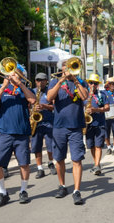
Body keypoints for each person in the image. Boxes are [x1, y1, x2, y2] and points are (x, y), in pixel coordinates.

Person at [0, 66, 36, 207]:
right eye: (11, 73)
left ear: (22, 76)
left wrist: (20, 84)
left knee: (24, 164)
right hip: (4, 132)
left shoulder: (25, 89)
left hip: (22, 133)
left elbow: (32, 100)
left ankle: (23, 191)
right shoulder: (1, 89)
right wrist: (3, 87)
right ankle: (2, 192)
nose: (12, 75)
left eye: (16, 73)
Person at [47, 58, 89, 205]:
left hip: (76, 126)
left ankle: (77, 191)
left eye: (72, 67)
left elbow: (85, 97)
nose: (70, 70)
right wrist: (61, 81)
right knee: (59, 158)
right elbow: (49, 98)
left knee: (77, 159)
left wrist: (76, 81)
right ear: (62, 69)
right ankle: (62, 185)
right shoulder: (55, 82)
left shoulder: (81, 82)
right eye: (67, 67)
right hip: (59, 126)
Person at [31, 72, 57, 179]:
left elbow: (55, 107)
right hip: (37, 123)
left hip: (49, 121)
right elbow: (27, 106)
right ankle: (40, 168)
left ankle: (51, 162)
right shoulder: (32, 91)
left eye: (42, 80)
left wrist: (44, 106)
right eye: (37, 80)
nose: (39, 82)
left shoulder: (50, 91)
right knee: (37, 146)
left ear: (46, 81)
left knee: (50, 145)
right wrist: (33, 109)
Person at [85, 73, 109, 175]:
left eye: (95, 83)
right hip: (88, 124)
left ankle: (96, 165)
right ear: (88, 84)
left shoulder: (102, 95)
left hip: (99, 123)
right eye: (91, 83)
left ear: (97, 85)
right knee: (91, 146)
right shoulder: (84, 95)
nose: (93, 85)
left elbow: (107, 107)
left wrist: (96, 109)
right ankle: (97, 164)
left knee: (98, 145)